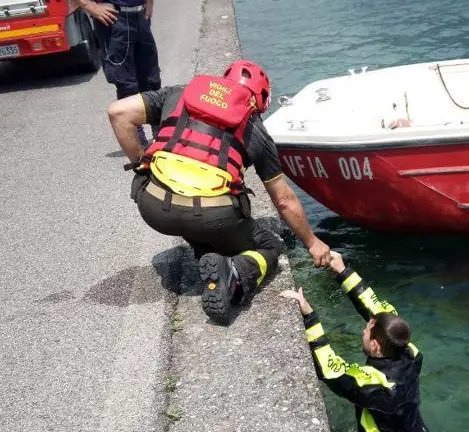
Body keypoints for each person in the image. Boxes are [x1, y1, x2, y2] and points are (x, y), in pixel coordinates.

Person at [106, 59, 332, 324]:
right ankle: (236, 271)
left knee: (194, 215)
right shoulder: (254, 127)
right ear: (259, 100)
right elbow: (283, 200)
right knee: (270, 245)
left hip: (153, 208)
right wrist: (312, 242)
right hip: (211, 217)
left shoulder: (178, 94)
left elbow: (118, 112)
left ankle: (208, 254)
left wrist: (141, 162)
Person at [281, 251, 429, 432]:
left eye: (366, 331)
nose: (363, 331)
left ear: (375, 345)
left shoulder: (374, 387)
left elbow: (329, 370)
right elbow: (375, 307)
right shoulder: (410, 352)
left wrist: (309, 316)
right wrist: (342, 270)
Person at [75, 0, 162, 148]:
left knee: (152, 81)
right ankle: (138, 141)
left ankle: (161, 136)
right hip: (115, 20)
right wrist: (91, 7)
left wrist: (150, 2)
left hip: (140, 16)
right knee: (127, 85)